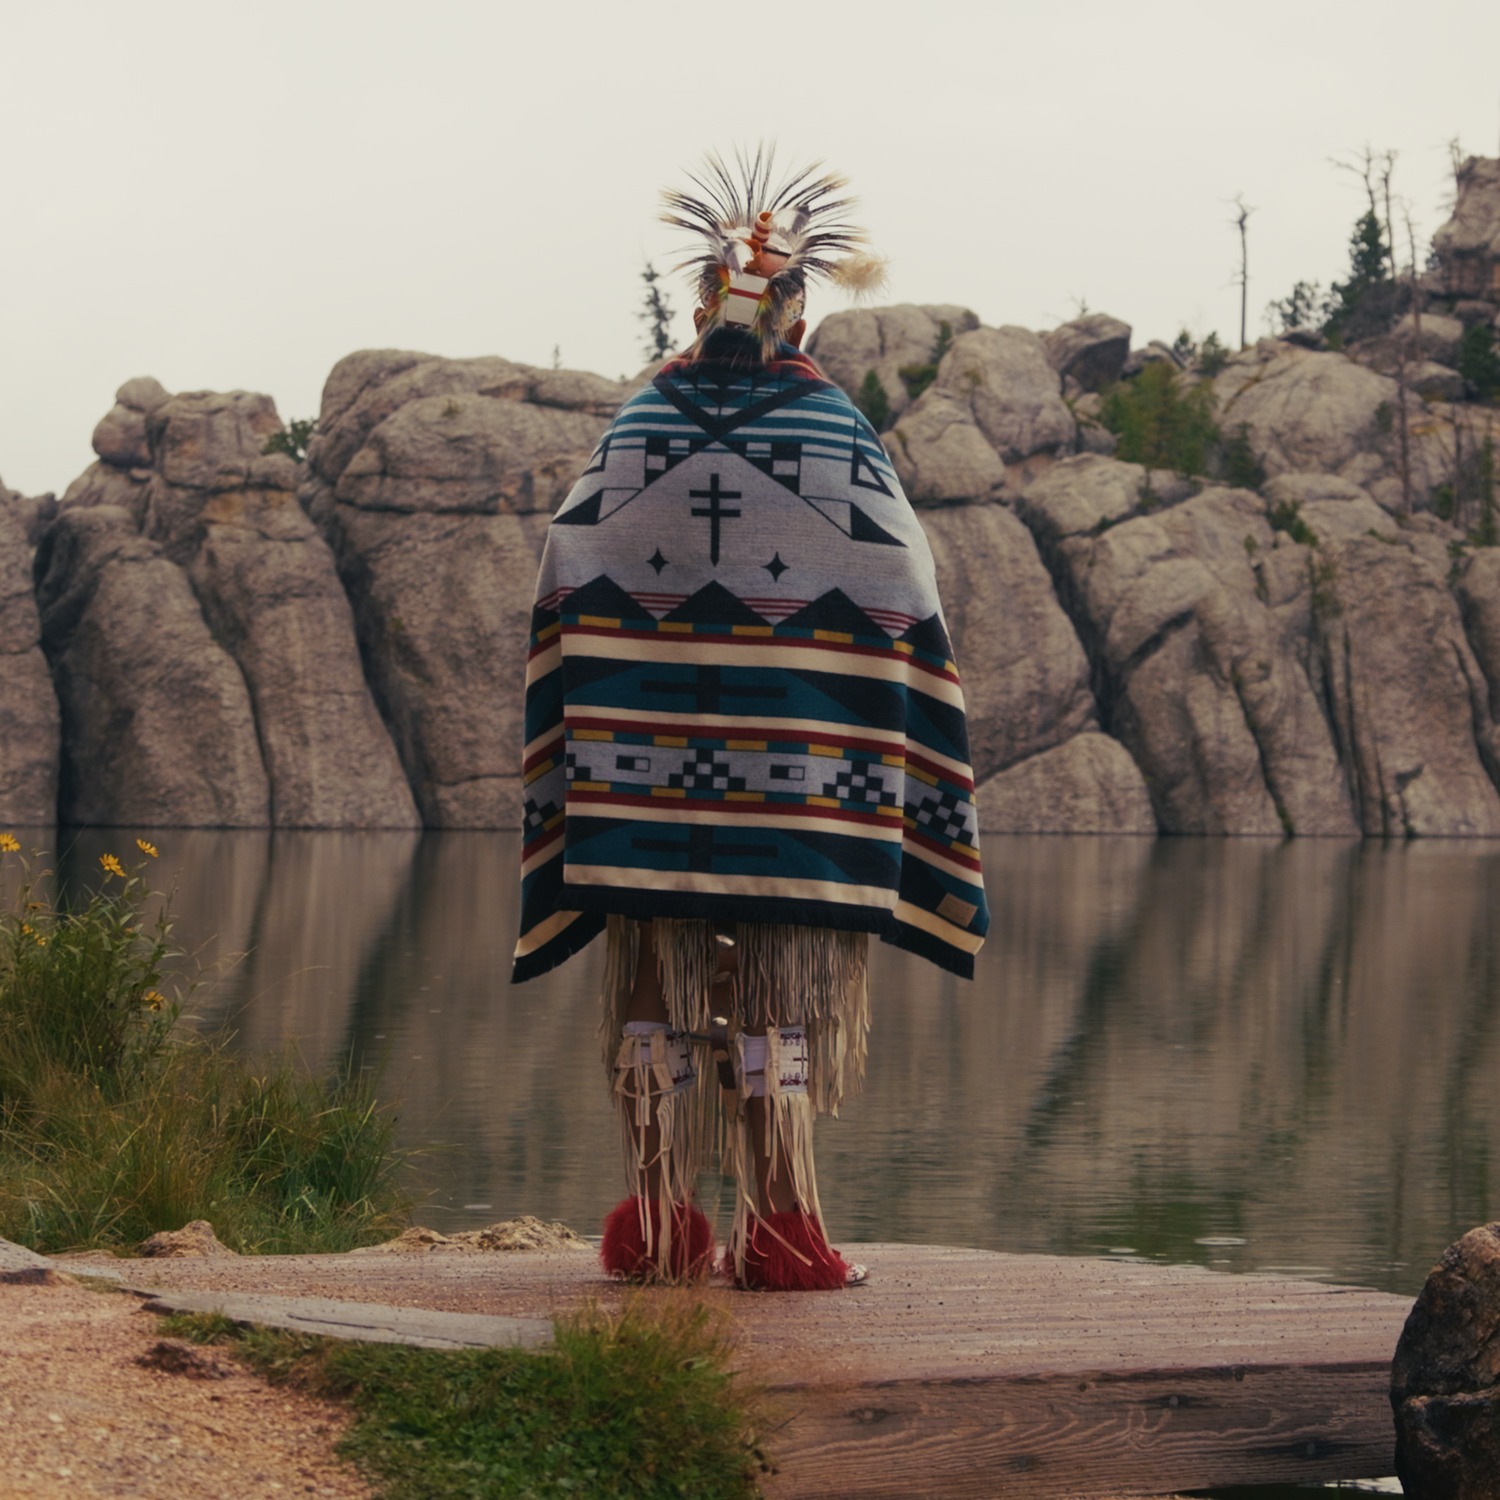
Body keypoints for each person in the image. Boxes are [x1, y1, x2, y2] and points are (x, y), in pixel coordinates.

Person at [511, 149, 988, 1290]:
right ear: (797, 308)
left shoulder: (638, 425)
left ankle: (661, 1222)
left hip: (639, 769)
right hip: (803, 775)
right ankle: (782, 1231)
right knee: (777, 987)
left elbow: (567, 565)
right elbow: (902, 587)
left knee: (652, 977)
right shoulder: (836, 433)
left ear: (699, 304)